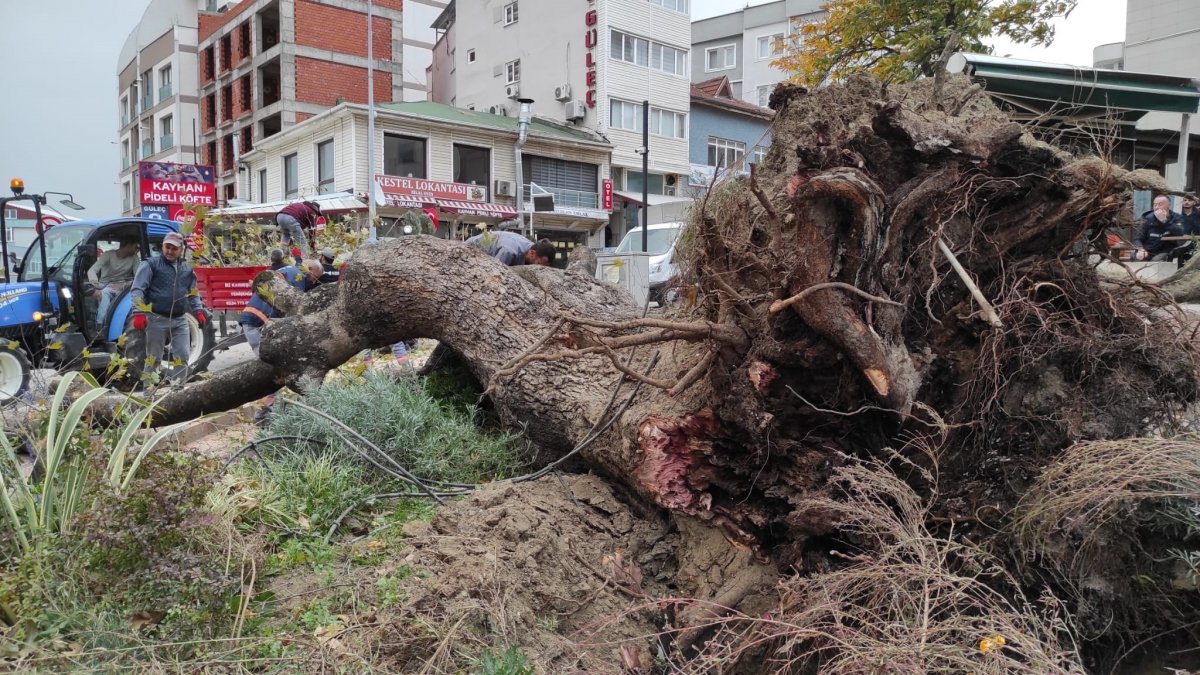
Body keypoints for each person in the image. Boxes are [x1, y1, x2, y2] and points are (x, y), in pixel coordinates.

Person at [130, 232, 207, 382]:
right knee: (154, 358)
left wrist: (198, 311)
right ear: (162, 247)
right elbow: (138, 289)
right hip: (156, 319)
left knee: (182, 355)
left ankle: (179, 389)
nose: (170, 251)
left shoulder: (187, 269)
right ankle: (148, 392)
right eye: (167, 247)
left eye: (174, 248)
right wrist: (138, 312)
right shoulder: (151, 265)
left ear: (181, 250)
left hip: (180, 319)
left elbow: (193, 292)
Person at [238, 259, 324, 355]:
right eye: (315, 277)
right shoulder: (297, 277)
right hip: (258, 320)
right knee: (267, 357)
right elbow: (294, 307)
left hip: (256, 317)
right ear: (309, 269)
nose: (313, 282)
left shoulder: (289, 270)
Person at [87, 237, 141, 325]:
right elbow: (92, 271)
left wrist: (124, 284)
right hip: (105, 284)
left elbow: (138, 276)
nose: (137, 250)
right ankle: (100, 324)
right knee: (104, 294)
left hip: (124, 285)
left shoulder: (134, 257)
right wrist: (95, 286)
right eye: (136, 247)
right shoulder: (108, 255)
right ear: (128, 245)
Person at [1134, 194, 1186, 262]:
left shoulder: (1176, 217)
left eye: (1160, 204)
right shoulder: (1147, 218)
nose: (1157, 207)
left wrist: (1165, 221)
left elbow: (1180, 232)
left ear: (1168, 205)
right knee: (1136, 258)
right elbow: (1138, 238)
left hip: (1165, 250)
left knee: (1156, 260)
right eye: (1155, 205)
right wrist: (1140, 249)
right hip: (1148, 249)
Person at [464, 230, 555, 266]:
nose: (538, 268)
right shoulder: (509, 251)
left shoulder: (533, 247)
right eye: (538, 264)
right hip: (469, 250)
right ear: (532, 253)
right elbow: (494, 273)